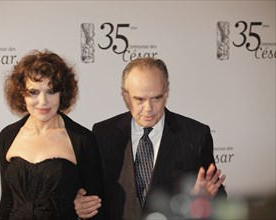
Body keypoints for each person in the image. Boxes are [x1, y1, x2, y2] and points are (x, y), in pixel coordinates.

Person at [74, 57, 227, 220]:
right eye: (139, 99)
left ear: (166, 93)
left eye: (157, 98)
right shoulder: (102, 133)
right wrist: (82, 205)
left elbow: (217, 195)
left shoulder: (196, 135)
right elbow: (93, 195)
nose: (149, 109)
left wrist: (203, 199)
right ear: (126, 96)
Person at [0, 50, 103, 220]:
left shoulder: (82, 139)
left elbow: (95, 207)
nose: (43, 101)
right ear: (21, 94)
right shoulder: (7, 136)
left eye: (51, 91)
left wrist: (82, 210)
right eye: (33, 92)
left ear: (63, 93)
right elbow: (7, 200)